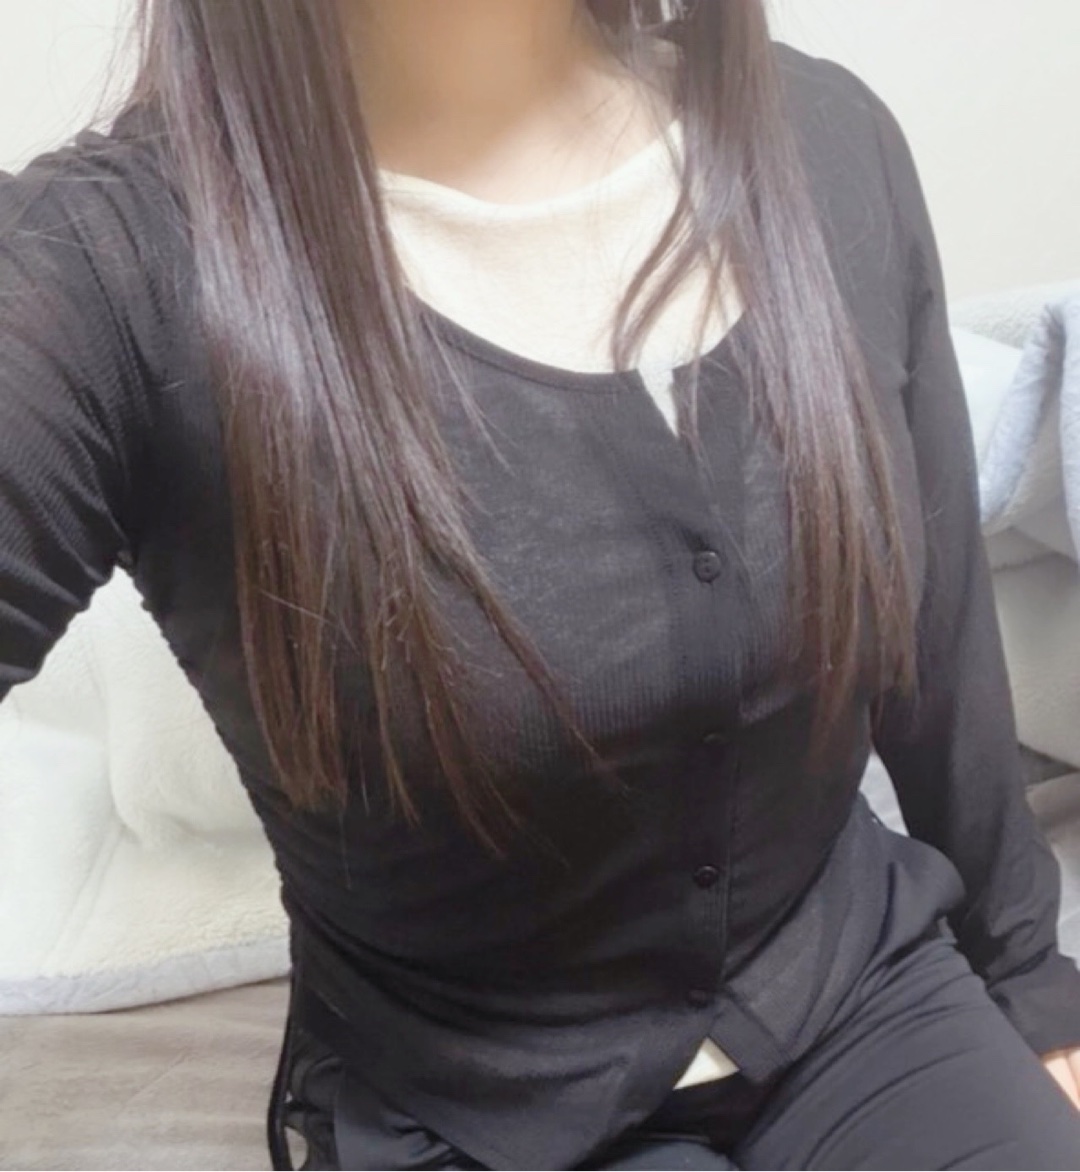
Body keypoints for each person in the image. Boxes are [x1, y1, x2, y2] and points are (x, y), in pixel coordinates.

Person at [2, 0, 1079, 1168]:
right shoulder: (107, 273)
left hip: (856, 993)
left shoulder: (830, 138)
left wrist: (1032, 984)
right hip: (475, 1097)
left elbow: (937, 639)